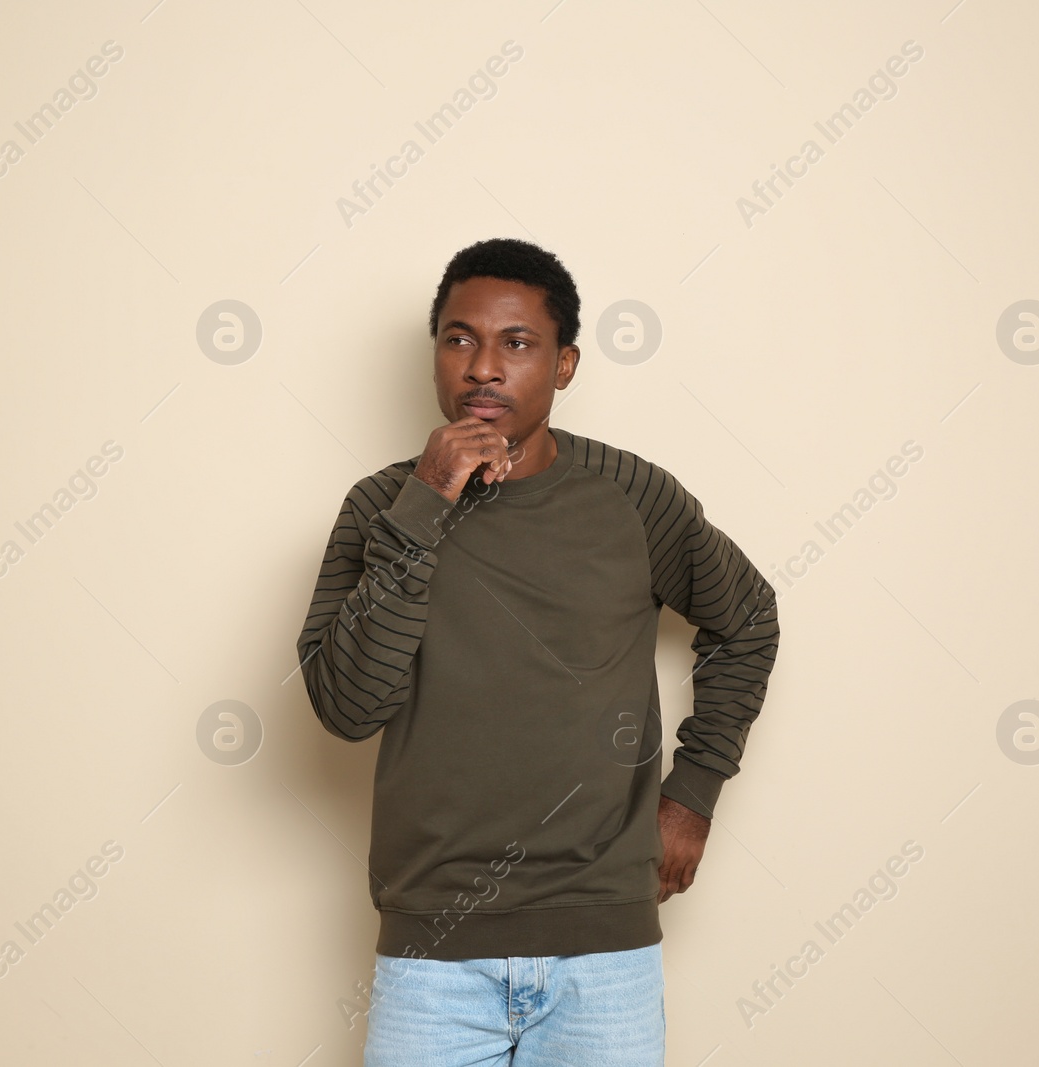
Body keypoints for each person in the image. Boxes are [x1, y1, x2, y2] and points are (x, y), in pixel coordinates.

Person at [295, 237, 781, 1066]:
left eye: (516, 343)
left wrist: (693, 792)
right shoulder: (383, 505)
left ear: (564, 365)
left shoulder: (634, 498)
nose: (483, 367)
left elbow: (748, 620)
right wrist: (424, 503)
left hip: (604, 949)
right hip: (431, 954)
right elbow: (346, 706)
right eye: (459, 338)